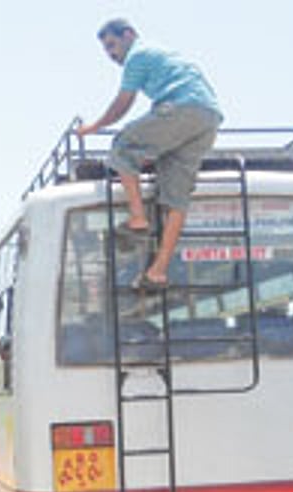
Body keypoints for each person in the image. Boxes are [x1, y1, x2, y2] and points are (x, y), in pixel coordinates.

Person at [76, 18, 223, 290]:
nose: (111, 54)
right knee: (175, 197)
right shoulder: (166, 55)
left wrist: (94, 127)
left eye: (112, 45)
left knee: (123, 145)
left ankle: (138, 218)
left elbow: (124, 102)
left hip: (181, 108)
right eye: (106, 50)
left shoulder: (138, 55)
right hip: (207, 119)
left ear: (129, 35)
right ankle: (157, 271)